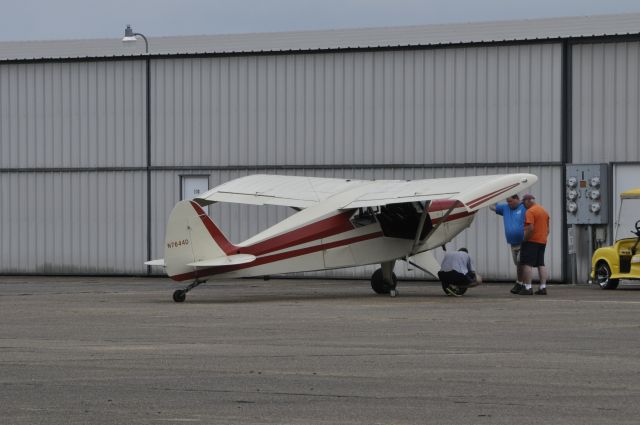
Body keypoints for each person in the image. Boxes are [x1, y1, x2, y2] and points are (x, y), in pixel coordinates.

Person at [490, 195, 526, 294]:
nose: (509, 203)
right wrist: (498, 195)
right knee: (518, 264)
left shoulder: (524, 207)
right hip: (512, 243)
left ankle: (523, 284)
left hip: (523, 242)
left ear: (517, 199)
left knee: (521, 262)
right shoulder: (505, 208)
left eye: (511, 201)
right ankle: (520, 283)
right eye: (507, 201)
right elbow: (491, 207)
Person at [516, 194, 550, 295]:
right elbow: (548, 230)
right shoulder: (544, 211)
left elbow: (530, 228)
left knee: (527, 264)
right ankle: (543, 287)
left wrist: (525, 239)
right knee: (541, 264)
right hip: (542, 241)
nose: (523, 205)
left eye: (524, 203)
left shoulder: (530, 211)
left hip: (531, 241)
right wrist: (542, 237)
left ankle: (528, 287)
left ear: (528, 201)